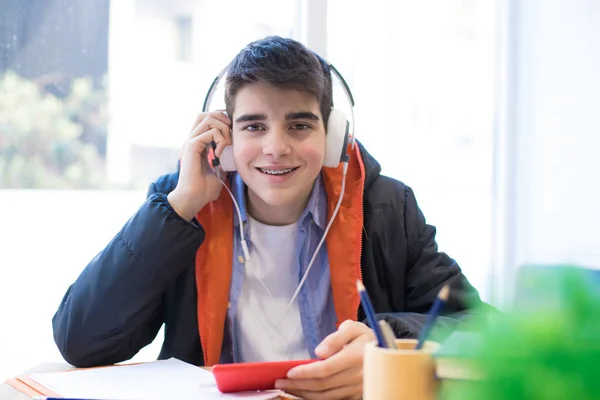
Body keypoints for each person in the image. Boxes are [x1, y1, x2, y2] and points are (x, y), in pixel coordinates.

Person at [52, 36, 488, 400]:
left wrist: (386, 342)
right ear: (221, 137)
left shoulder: (386, 208)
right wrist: (180, 205)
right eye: (253, 126)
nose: (275, 147)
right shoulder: (183, 202)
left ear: (334, 137)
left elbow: (481, 330)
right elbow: (82, 342)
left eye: (299, 125)